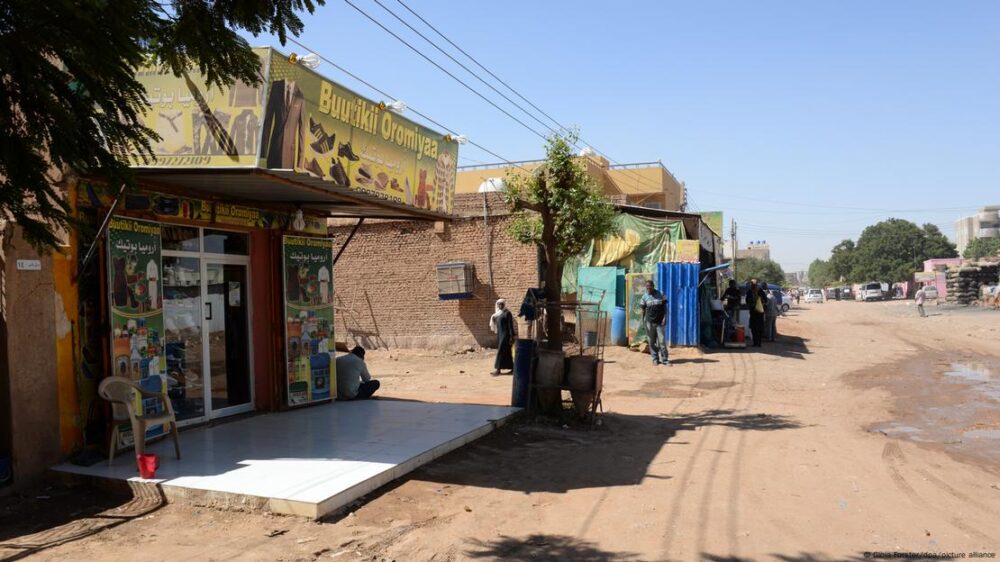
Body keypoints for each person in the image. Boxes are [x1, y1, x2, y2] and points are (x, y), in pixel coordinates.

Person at [641, 280, 669, 366]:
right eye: (647, 287)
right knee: (651, 342)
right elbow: (642, 310)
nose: (648, 288)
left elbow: (665, 307)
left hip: (660, 322)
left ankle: (665, 360)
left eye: (650, 286)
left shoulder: (661, 294)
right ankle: (655, 359)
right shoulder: (644, 297)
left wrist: (665, 317)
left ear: (653, 286)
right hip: (649, 322)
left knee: (662, 342)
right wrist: (643, 322)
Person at [489, 299, 515, 376]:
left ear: (504, 305)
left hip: (505, 335)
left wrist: (511, 336)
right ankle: (513, 368)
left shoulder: (507, 313)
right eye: (499, 304)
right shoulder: (497, 314)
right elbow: (495, 325)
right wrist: (493, 319)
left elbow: (510, 326)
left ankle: (498, 370)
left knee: (500, 351)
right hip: (500, 335)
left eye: (501, 304)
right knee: (507, 352)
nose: (500, 306)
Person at [747, 282, 767, 348]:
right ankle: (757, 343)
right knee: (756, 328)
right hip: (757, 313)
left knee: (756, 328)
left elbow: (765, 301)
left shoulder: (758, 292)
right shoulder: (751, 292)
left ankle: (757, 343)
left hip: (757, 313)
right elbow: (765, 301)